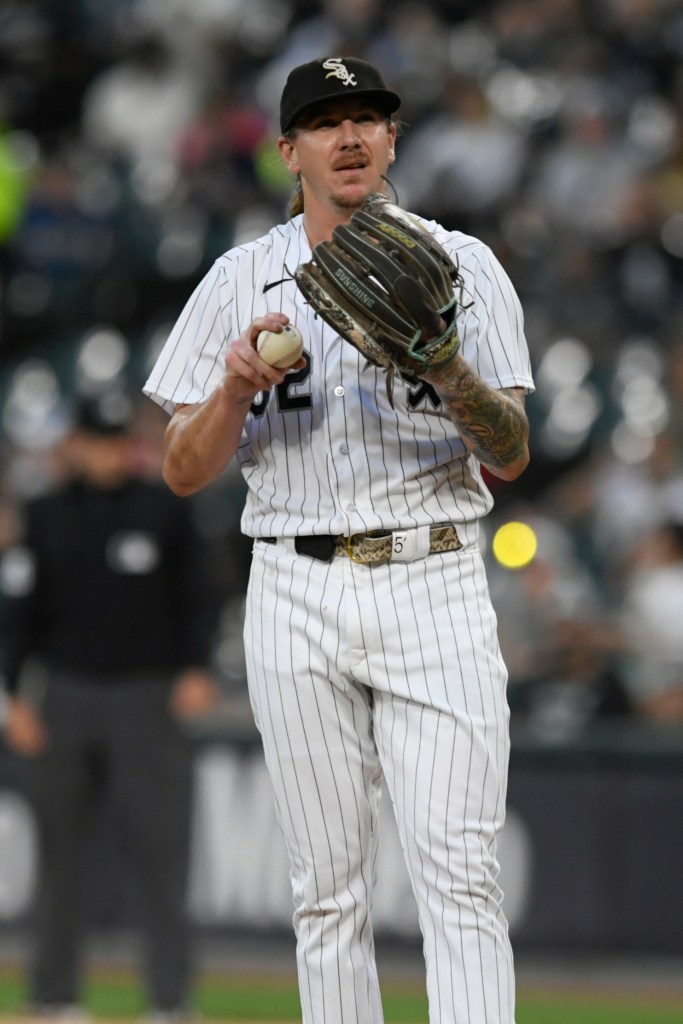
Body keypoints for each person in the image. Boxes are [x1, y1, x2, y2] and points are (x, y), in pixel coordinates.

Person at [144, 56, 534, 1024]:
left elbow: (513, 451)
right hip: (293, 582)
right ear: (288, 152)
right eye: (324, 122)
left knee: (459, 875)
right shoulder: (241, 277)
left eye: (367, 117)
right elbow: (181, 468)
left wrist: (446, 368)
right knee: (325, 890)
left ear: (392, 139)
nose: (349, 136)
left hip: (431, 574)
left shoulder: (460, 266)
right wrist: (233, 386)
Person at [0, 392, 220, 1023]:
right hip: (64, 695)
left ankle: (171, 1001)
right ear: (76, 442)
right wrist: (13, 694)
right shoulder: (44, 516)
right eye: (97, 440)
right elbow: (18, 617)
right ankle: (55, 996)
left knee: (161, 853)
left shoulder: (166, 510)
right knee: (60, 856)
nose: (108, 452)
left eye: (118, 439)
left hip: (146, 696)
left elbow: (200, 595)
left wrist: (197, 667)